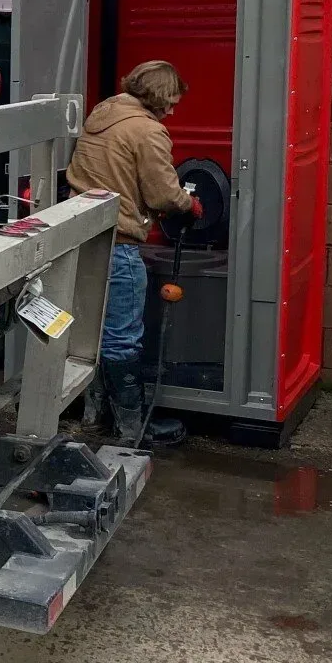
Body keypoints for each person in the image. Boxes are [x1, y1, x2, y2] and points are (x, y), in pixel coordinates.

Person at [65, 60, 202, 445]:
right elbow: (162, 194)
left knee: (89, 337)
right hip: (119, 246)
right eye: (171, 101)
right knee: (122, 339)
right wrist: (188, 205)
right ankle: (132, 430)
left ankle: (95, 420)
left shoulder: (103, 112)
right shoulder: (147, 130)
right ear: (157, 96)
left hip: (83, 241)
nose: (173, 110)